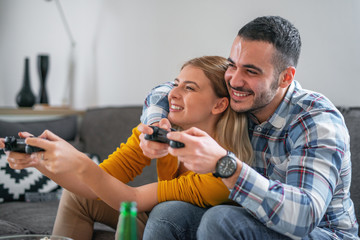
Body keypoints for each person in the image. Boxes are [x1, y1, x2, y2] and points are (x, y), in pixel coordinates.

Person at [138, 16, 359, 239]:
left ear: (285, 77)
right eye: (232, 65)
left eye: (251, 72)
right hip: (251, 221)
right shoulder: (237, 98)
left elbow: (304, 216)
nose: (234, 80)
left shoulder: (316, 120)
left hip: (322, 233)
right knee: (168, 213)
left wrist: (225, 165)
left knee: (221, 219)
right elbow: (164, 90)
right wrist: (156, 127)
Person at [0, 56, 254, 240]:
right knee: (77, 197)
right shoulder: (159, 133)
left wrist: (78, 161)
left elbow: (132, 199)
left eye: (189, 88)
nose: (173, 94)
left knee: (159, 212)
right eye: (176, 84)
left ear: (219, 105)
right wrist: (40, 160)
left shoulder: (224, 169)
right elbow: (95, 184)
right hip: (158, 215)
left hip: (182, 226)